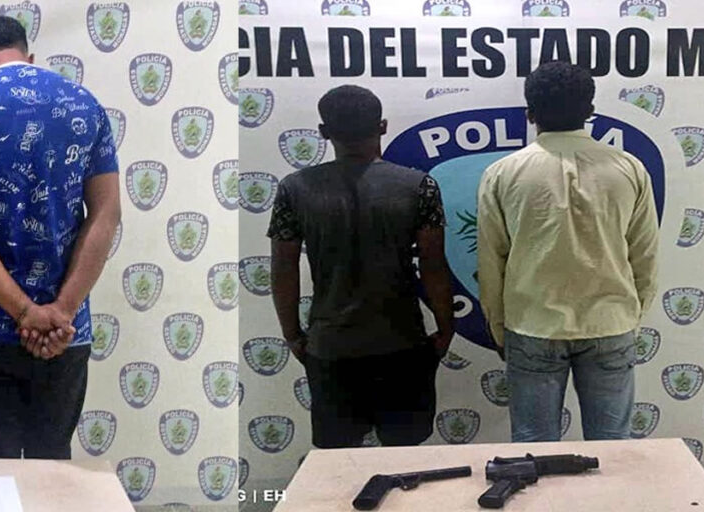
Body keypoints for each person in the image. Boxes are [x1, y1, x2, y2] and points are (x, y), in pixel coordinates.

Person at [0, 16, 121, 459]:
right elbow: (106, 214)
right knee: (53, 466)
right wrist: (61, 311)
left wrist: (23, 313)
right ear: (28, 56)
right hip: (65, 331)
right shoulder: (83, 104)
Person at [477, 61, 659, 442]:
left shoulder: (502, 174)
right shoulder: (630, 169)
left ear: (530, 113)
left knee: (533, 448)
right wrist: (630, 316)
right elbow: (644, 256)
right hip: (610, 324)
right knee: (613, 449)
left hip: (532, 326)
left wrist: (499, 328)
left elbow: (491, 262)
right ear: (590, 110)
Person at [267, 85, 454, 448]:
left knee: (339, 462)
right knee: (405, 460)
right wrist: (446, 328)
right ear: (382, 126)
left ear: (324, 132)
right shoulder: (420, 186)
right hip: (403, 344)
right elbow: (433, 266)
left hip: (330, 347)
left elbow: (283, 270)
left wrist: (292, 335)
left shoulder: (295, 189)